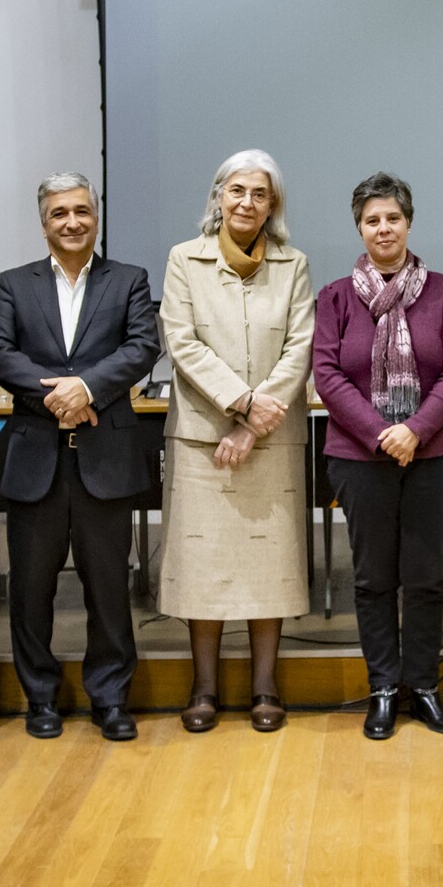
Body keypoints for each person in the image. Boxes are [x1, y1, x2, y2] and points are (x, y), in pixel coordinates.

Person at [0, 171, 161, 743]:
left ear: (96, 216)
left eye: (81, 210)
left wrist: (85, 389)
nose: (72, 221)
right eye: (59, 212)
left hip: (104, 461)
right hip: (36, 461)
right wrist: (58, 393)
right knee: (31, 590)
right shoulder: (15, 283)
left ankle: (110, 698)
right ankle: (40, 698)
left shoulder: (128, 279)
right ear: (44, 223)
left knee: (107, 587)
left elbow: (142, 346)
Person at [159, 149, 315, 733]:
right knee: (204, 566)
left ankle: (265, 686)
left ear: (273, 205)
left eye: (260, 194)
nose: (247, 202)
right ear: (218, 197)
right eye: (237, 191)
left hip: (270, 440)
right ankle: (203, 688)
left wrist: (252, 425)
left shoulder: (293, 264)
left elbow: (300, 347)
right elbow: (182, 342)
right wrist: (242, 404)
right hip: (203, 439)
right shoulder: (184, 260)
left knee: (268, 567)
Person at [313, 173, 443, 739]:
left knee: (427, 577)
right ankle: (383, 687)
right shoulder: (334, 297)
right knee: (373, 577)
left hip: (436, 455)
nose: (383, 228)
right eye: (372, 220)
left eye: (393, 218)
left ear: (409, 222)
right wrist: (384, 432)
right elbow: (327, 375)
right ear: (359, 228)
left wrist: (417, 431)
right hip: (359, 457)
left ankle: (423, 686)